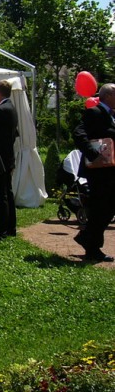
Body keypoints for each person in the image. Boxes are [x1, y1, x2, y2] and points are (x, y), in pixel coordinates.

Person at [72, 83, 115, 262]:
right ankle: (93, 248)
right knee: (101, 208)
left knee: (108, 208)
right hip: (98, 171)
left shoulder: (112, 115)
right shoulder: (94, 112)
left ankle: (87, 237)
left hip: (110, 170)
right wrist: (93, 153)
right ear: (108, 95)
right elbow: (78, 133)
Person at [0, 80, 19, 239]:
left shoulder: (0, 110)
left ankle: (0, 229)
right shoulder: (12, 108)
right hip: (8, 157)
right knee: (8, 192)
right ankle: (11, 226)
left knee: (0, 194)